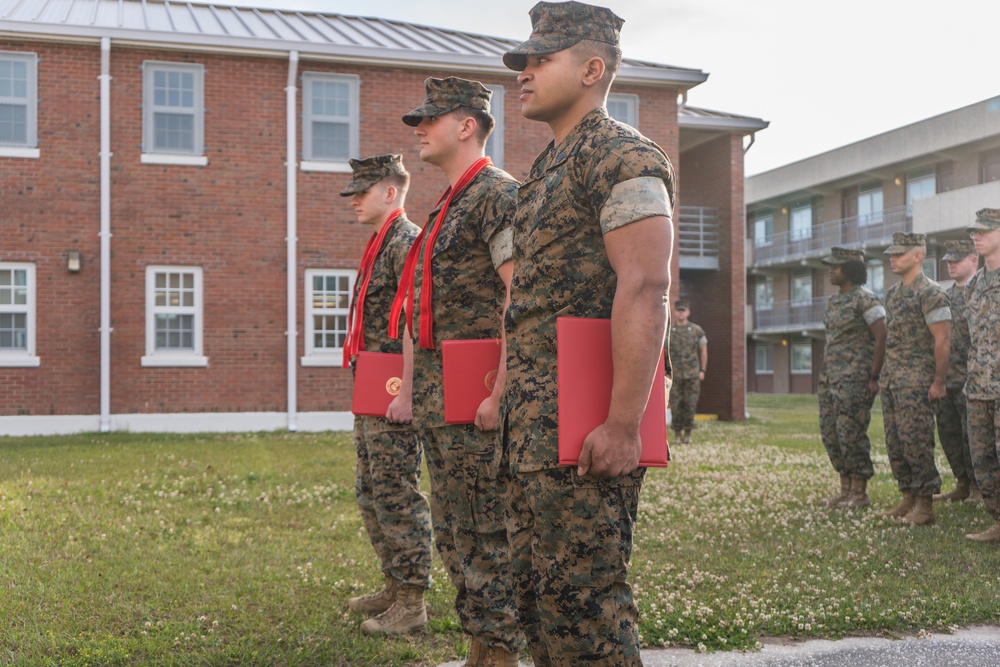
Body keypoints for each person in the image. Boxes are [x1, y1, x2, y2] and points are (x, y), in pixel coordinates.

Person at [500, 3, 675, 665]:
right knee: (540, 605)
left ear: (592, 67)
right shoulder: (542, 171)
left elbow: (646, 286)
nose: (525, 71)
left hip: (585, 429)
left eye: (541, 59)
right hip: (534, 429)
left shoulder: (623, 155)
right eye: (524, 60)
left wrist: (625, 422)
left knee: (587, 612)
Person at [389, 77, 523, 665]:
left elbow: (522, 299)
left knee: (485, 530)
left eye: (430, 119)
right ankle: (481, 641)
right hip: (443, 401)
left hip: (477, 400)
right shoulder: (448, 203)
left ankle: (498, 649)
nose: (418, 129)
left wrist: (502, 393)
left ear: (466, 125)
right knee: (456, 531)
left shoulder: (496, 195)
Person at [338, 155, 432, 635]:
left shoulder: (405, 242)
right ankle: (395, 584)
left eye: (362, 191)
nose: (353, 200)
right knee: (371, 490)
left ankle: (412, 604)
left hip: (396, 390)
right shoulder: (380, 243)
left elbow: (417, 320)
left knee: (396, 491)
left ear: (391, 192)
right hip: (374, 383)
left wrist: (410, 393)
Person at [880, 232, 951, 526]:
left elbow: (943, 339)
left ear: (918, 255)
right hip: (892, 380)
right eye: (891, 254)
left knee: (917, 442)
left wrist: (938, 381)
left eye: (899, 253)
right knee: (895, 443)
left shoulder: (931, 292)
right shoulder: (893, 294)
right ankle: (908, 496)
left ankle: (925, 504)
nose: (892, 258)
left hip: (917, 381)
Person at [818, 246, 886, 509]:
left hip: (855, 379)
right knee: (830, 433)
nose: (831, 270)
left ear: (851, 269)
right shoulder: (833, 301)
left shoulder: (866, 300)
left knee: (851, 434)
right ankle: (844, 489)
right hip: (830, 379)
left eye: (836, 265)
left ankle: (860, 492)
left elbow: (881, 336)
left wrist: (874, 377)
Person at [933, 239, 980, 503]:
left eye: (957, 260)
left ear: (973, 260)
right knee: (949, 433)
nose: (951, 264)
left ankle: (977, 486)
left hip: (973, 380)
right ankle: (962, 482)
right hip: (947, 378)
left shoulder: (981, 292)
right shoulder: (945, 296)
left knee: (971, 436)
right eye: (948, 260)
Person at [964, 208, 1000, 541]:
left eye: (984, 231)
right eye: (974, 231)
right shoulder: (975, 284)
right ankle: (998, 520)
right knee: (983, 458)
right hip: (978, 387)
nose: (976, 236)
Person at [668, 299, 707, 444]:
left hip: (692, 375)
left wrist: (702, 370)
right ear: (675, 311)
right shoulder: (670, 331)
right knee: (676, 405)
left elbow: (703, 350)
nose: (680, 313)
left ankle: (688, 435)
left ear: (688, 312)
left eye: (683, 310)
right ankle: (677, 435)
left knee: (690, 405)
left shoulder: (696, 331)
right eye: (678, 310)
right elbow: (664, 353)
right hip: (675, 376)